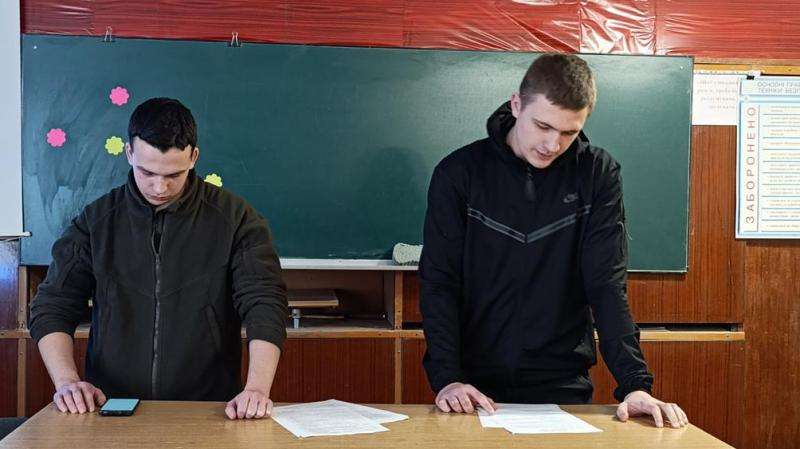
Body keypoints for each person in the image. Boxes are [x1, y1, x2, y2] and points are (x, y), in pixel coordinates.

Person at [419, 54, 688, 428]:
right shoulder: (459, 173)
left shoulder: (597, 174)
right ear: (517, 105)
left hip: (561, 382)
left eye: (568, 133)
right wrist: (448, 378)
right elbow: (440, 282)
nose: (552, 144)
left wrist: (635, 384)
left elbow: (606, 286)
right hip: (471, 385)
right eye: (543, 125)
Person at [29, 97, 288, 420]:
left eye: (174, 174)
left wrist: (257, 389)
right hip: (112, 407)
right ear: (129, 153)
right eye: (147, 172)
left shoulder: (236, 220)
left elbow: (265, 303)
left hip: (209, 409)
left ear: (193, 157)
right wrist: (67, 382)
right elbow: (53, 305)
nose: (160, 187)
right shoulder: (96, 222)